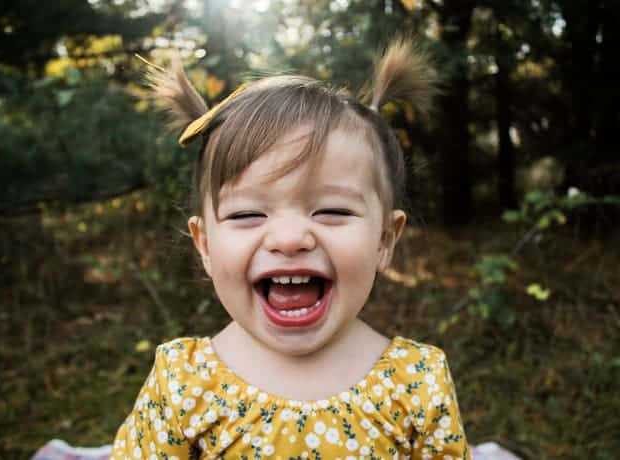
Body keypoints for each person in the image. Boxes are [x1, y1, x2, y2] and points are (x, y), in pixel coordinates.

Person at [112, 38, 472, 459]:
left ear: (383, 240)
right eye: (248, 214)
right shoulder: (183, 384)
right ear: (205, 245)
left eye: (332, 210)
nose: (289, 238)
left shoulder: (416, 384)